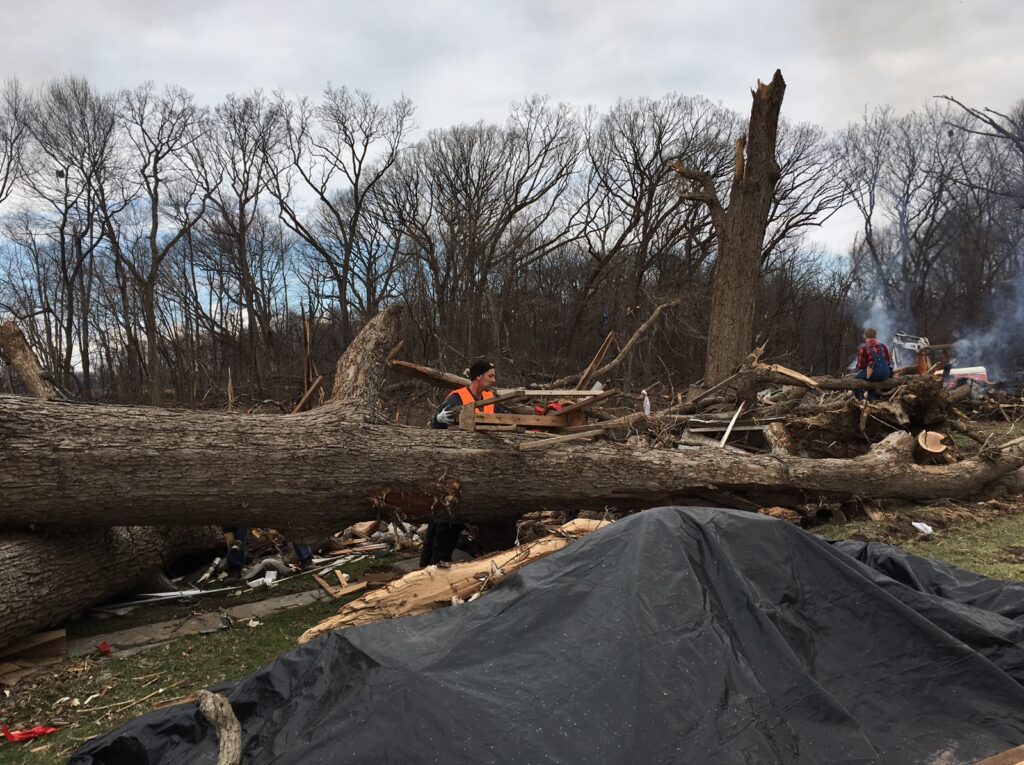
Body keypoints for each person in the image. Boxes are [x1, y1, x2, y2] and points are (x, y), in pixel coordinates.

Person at [423, 359, 504, 567]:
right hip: (455, 466)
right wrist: (437, 421)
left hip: (478, 464)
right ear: (478, 376)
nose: (494, 380)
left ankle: (427, 563)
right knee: (449, 516)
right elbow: (436, 425)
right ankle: (437, 562)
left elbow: (507, 418)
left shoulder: (489, 397)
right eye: (490, 375)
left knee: (442, 517)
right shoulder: (457, 397)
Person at [854, 328, 893, 401]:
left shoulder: (864, 348)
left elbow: (860, 366)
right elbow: (888, 362)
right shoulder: (883, 346)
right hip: (886, 373)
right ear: (875, 336)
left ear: (865, 337)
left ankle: (860, 400)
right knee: (874, 380)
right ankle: (873, 399)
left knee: (855, 380)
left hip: (874, 373)